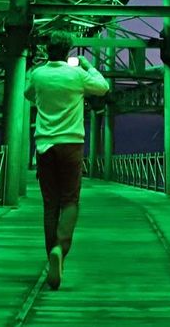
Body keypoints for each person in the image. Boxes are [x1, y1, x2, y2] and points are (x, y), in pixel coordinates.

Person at [24, 30, 110, 290]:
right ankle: (61, 249)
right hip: (71, 144)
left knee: (50, 204)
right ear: (68, 51)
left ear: (47, 50)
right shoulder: (76, 74)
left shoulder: (38, 75)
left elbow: (28, 94)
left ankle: (52, 252)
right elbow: (103, 87)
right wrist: (88, 66)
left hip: (45, 146)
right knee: (70, 200)